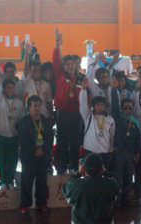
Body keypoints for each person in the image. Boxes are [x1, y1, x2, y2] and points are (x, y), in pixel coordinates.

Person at [53, 28, 84, 174]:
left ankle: (73, 167)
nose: (70, 66)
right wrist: (57, 46)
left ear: (76, 65)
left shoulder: (80, 79)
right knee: (62, 141)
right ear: (64, 66)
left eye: (72, 64)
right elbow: (56, 62)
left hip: (76, 114)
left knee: (75, 141)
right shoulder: (60, 76)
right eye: (67, 65)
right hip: (63, 113)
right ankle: (61, 167)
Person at [62, 153, 120, 224]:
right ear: (102, 168)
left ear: (84, 169)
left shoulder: (76, 185)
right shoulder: (110, 184)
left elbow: (65, 189)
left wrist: (78, 173)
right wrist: (106, 173)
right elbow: (117, 184)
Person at [18, 95, 52, 214]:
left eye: (39, 106)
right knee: (27, 181)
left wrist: (44, 151)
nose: (37, 108)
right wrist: (34, 150)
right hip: (29, 157)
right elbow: (23, 140)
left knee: (42, 181)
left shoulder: (46, 121)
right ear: (29, 107)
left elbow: (49, 138)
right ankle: (25, 205)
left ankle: (41, 203)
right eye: (34, 106)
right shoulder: (23, 122)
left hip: (43, 156)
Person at [0, 64, 25, 190]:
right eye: (8, 87)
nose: (11, 89)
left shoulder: (19, 102)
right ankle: (2, 182)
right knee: (2, 160)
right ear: (4, 89)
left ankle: (10, 180)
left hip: (13, 135)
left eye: (12, 87)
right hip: (1, 135)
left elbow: (21, 120)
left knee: (12, 160)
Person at [79, 78, 115, 170]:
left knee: (104, 175)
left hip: (104, 153)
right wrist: (83, 90)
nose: (100, 107)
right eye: (98, 105)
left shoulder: (110, 120)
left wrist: (110, 151)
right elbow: (83, 105)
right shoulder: (88, 116)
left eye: (102, 105)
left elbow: (112, 137)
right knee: (89, 175)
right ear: (93, 106)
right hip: (90, 151)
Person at [111, 98, 141, 206]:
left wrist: (137, 154)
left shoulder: (135, 122)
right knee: (118, 177)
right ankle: (117, 199)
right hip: (119, 153)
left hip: (130, 154)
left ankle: (126, 198)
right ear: (121, 109)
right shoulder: (117, 120)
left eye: (130, 108)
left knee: (129, 176)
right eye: (125, 108)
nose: (128, 110)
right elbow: (114, 106)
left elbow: (138, 140)